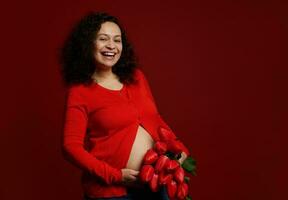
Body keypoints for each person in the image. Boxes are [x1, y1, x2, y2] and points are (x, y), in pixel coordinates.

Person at [59, 11, 190, 200]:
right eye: (103, 39)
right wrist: (115, 175)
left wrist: (179, 148)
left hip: (156, 182)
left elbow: (155, 120)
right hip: (113, 192)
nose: (111, 46)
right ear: (88, 44)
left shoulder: (136, 77)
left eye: (117, 40)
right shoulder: (80, 92)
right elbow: (70, 147)